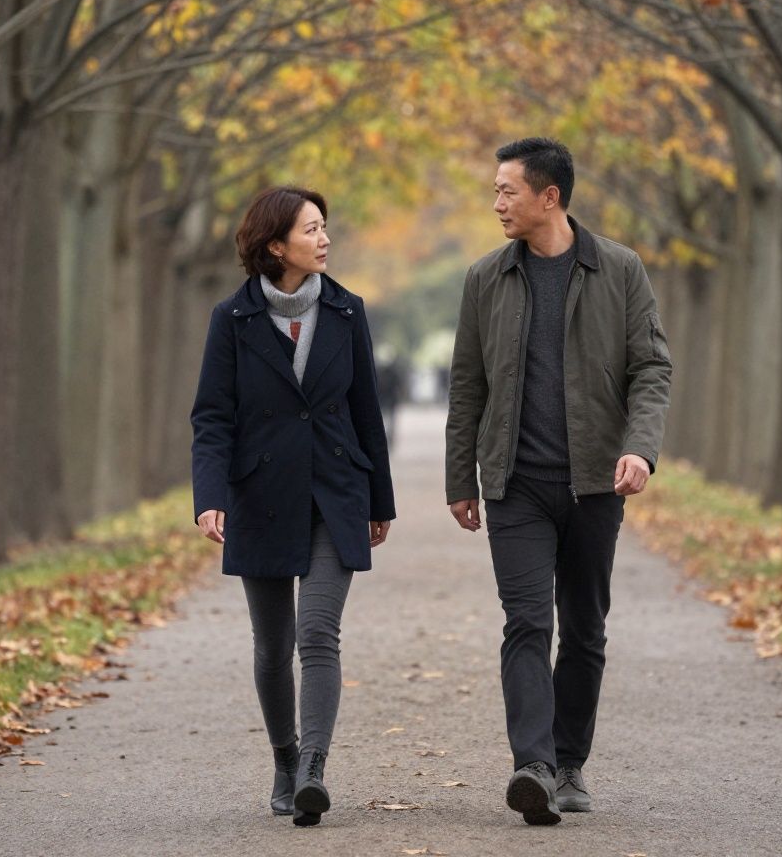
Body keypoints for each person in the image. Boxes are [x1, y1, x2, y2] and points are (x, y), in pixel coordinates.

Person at [445, 138, 671, 825]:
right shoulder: (486, 278)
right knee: (525, 622)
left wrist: (640, 449)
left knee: (584, 628)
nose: (496, 203)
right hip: (515, 485)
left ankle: (570, 763)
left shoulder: (620, 270)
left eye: (506, 190)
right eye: (494, 190)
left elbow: (652, 370)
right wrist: (462, 478)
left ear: (550, 196)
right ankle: (533, 765)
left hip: (594, 483)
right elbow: (468, 385)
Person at [191, 185, 395, 828]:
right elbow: (212, 418)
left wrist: (380, 501)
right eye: (312, 230)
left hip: (337, 494)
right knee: (273, 644)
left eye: (325, 227)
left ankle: (313, 768)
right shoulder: (233, 319)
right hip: (262, 496)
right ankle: (283, 760)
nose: (325, 238)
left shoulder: (347, 311)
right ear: (276, 245)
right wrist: (210, 497)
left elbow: (367, 412)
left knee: (318, 633)